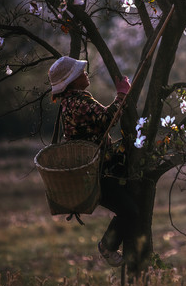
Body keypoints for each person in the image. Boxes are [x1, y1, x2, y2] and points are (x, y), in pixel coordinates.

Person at [48, 56, 139, 267]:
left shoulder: (71, 102)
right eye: (80, 72)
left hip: (97, 167)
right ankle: (108, 246)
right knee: (130, 211)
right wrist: (122, 94)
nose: (85, 73)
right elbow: (108, 120)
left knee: (128, 207)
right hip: (97, 171)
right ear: (71, 81)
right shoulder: (78, 103)